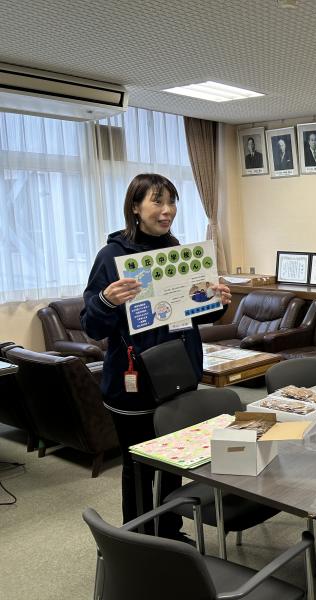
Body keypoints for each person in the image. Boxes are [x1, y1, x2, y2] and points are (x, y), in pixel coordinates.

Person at [81, 173, 232, 540]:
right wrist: (106, 300)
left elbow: (193, 315)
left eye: (172, 202)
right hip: (133, 384)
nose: (167, 210)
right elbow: (92, 326)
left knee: (173, 461)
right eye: (157, 201)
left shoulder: (177, 252)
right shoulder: (111, 257)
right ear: (135, 207)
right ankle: (138, 540)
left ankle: (169, 531)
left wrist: (217, 301)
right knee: (139, 467)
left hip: (179, 376)